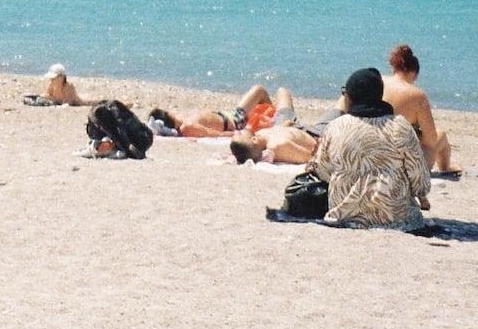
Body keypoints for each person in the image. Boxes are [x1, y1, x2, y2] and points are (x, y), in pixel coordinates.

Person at [309, 68, 432, 228]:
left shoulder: (335, 127)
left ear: (351, 96)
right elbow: (421, 182)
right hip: (395, 218)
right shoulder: (400, 126)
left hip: (344, 216)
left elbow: (324, 172)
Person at [370, 44, 458, 174]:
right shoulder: (417, 95)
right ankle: (445, 168)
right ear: (414, 73)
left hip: (372, 153)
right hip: (399, 165)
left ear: (394, 68)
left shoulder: (377, 81)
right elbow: (431, 140)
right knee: (441, 136)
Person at [149, 84, 286, 138]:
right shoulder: (187, 127)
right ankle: (278, 125)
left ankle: (273, 119)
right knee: (259, 90)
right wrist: (238, 134)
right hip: (236, 122)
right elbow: (215, 134)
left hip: (231, 115)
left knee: (259, 91)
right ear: (167, 115)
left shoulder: (183, 119)